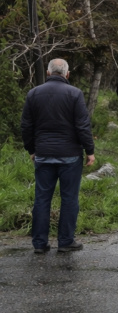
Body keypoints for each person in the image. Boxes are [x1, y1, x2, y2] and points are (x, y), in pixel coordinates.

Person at [20, 58, 95, 253]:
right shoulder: (75, 94)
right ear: (67, 74)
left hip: (43, 154)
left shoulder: (33, 93)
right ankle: (66, 241)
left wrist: (32, 150)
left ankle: (39, 243)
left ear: (48, 73)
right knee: (69, 198)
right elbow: (82, 125)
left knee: (42, 198)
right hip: (70, 155)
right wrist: (90, 151)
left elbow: (26, 126)